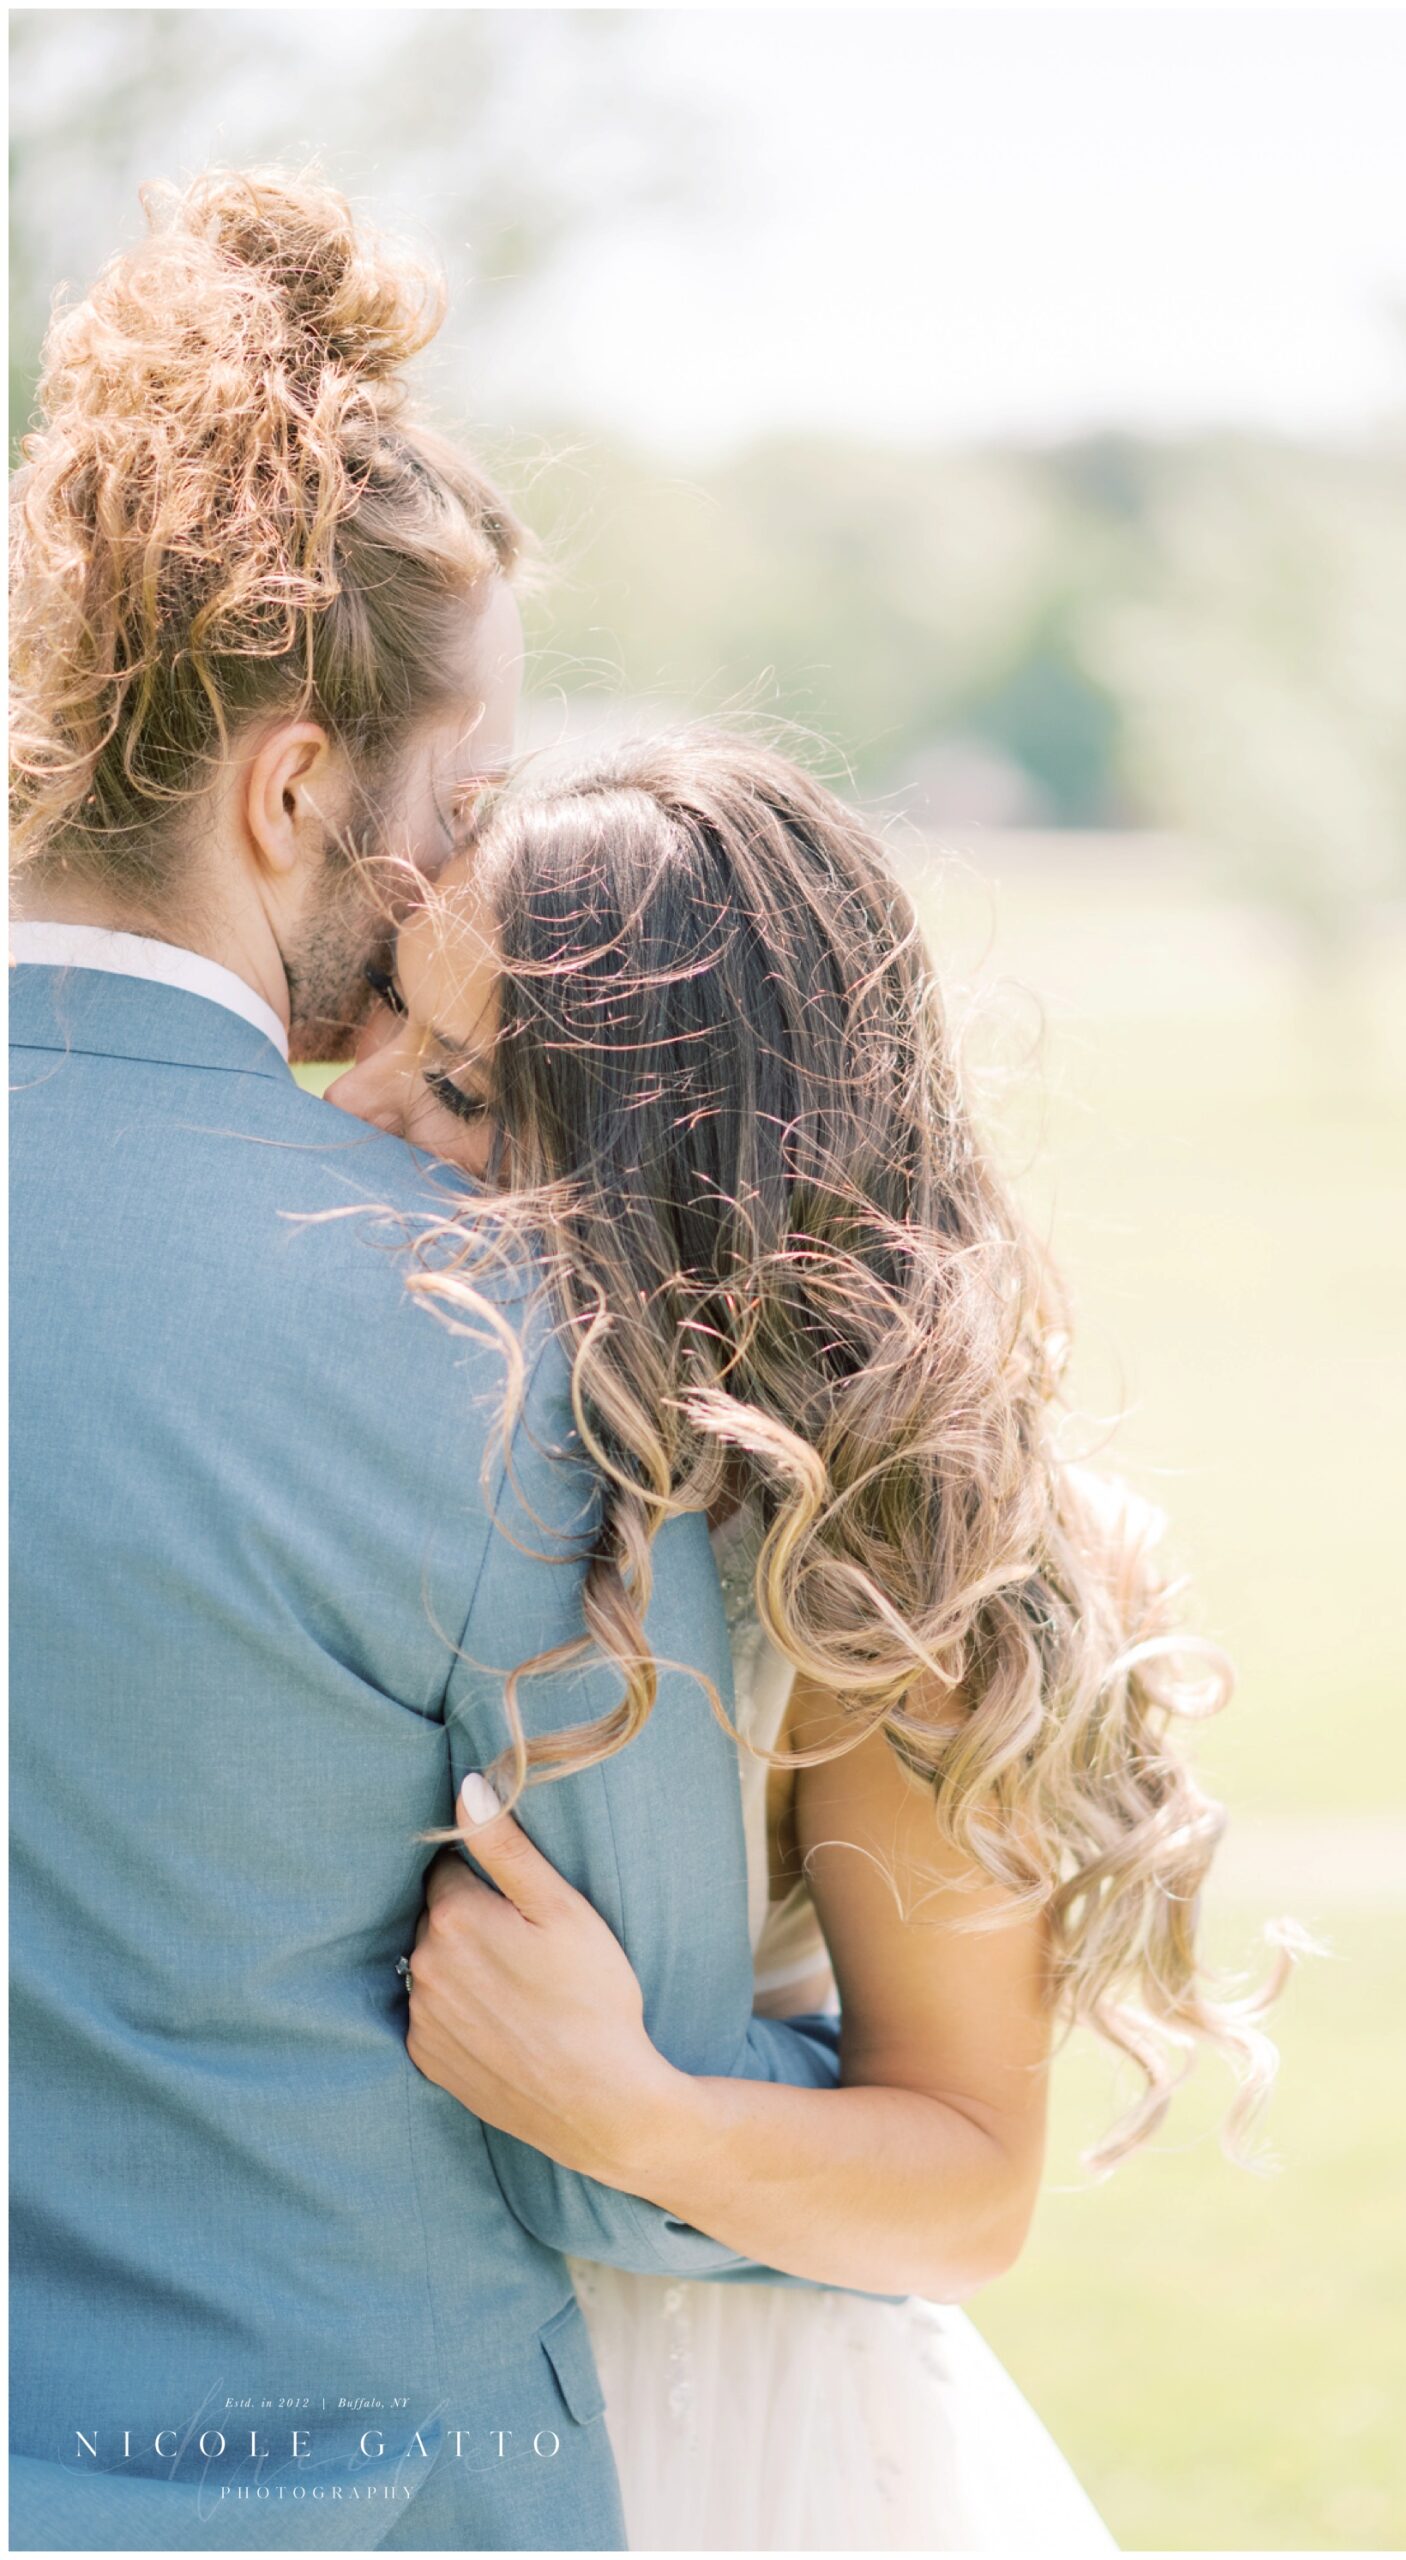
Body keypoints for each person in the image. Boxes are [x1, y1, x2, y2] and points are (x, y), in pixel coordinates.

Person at [8, 171, 845, 2555]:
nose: (483, 872)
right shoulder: (481, 1332)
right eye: (461, 802)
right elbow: (627, 2131)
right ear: (293, 790)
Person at [325, 737, 1310, 2550]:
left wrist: (632, 2112)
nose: (358, 1101)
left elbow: (969, 2180)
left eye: (461, 1088)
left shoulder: (872, 1569)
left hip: (717, 2437)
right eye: (379, 1008)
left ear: (669, 1172)